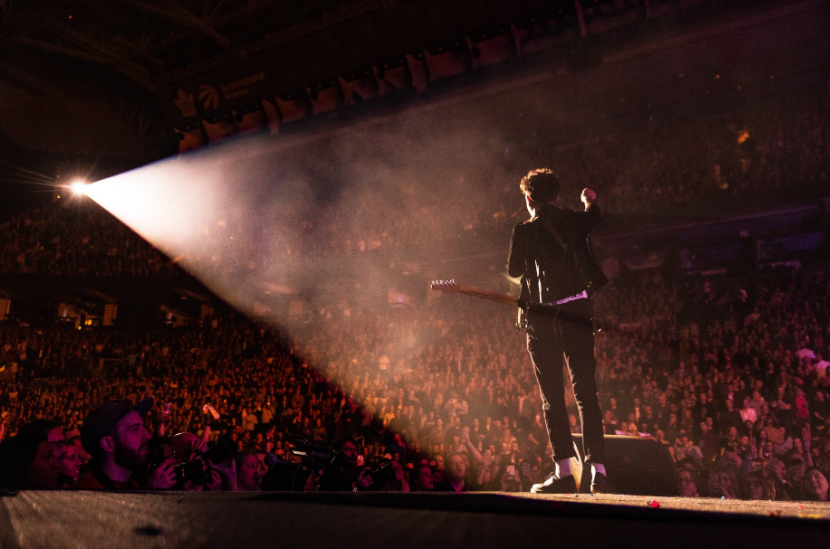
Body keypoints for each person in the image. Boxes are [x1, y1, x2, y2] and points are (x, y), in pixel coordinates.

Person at [506, 168, 611, 494]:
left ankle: (565, 471)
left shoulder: (524, 230)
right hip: (578, 312)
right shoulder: (573, 219)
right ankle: (597, 471)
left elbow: (514, 271)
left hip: (543, 318)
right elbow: (594, 214)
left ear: (529, 199)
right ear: (556, 197)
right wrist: (588, 200)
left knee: (552, 397)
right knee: (586, 393)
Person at [74, 398, 177, 490]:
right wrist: (152, 495)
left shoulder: (133, 485)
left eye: (143, 427)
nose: (148, 436)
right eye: (135, 429)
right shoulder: (86, 492)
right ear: (108, 443)